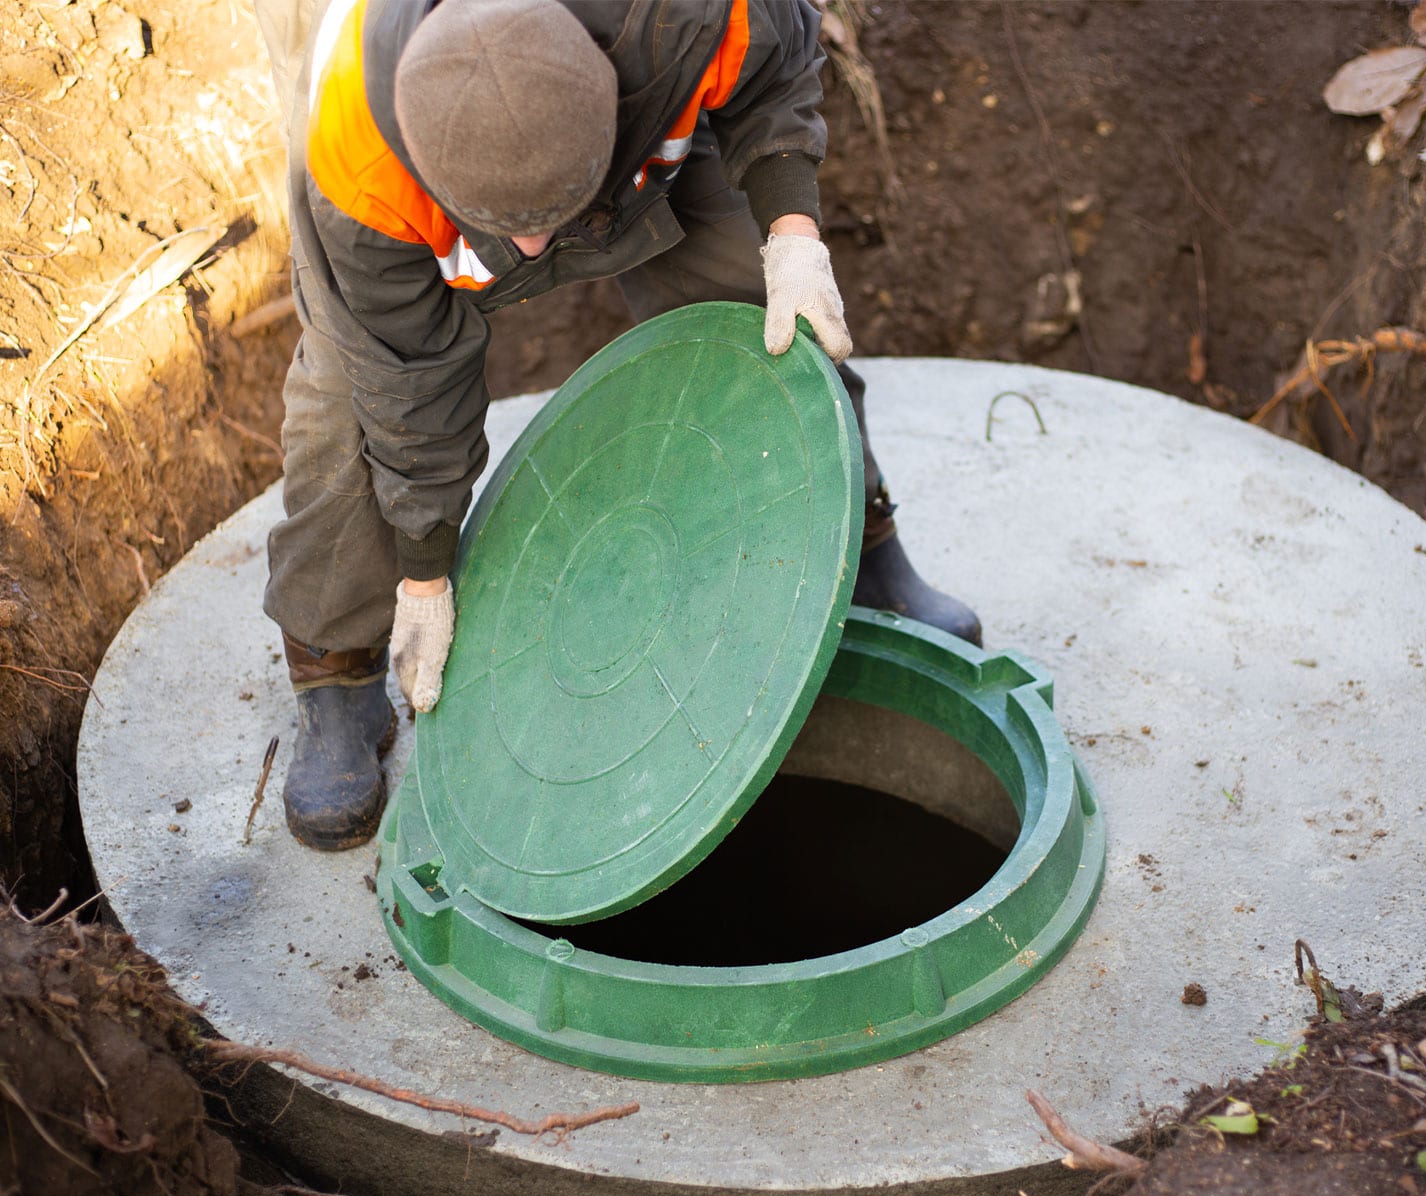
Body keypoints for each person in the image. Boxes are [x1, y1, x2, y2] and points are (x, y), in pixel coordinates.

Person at [257, 0, 981, 851]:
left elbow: (776, 68)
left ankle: (851, 537)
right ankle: (335, 673)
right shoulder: (356, 161)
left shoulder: (687, 16)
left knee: (758, 310)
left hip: (636, 146)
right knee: (347, 406)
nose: (534, 252)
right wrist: (424, 570)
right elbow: (407, 380)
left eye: (546, 220)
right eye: (512, 229)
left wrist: (791, 232)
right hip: (404, 200)